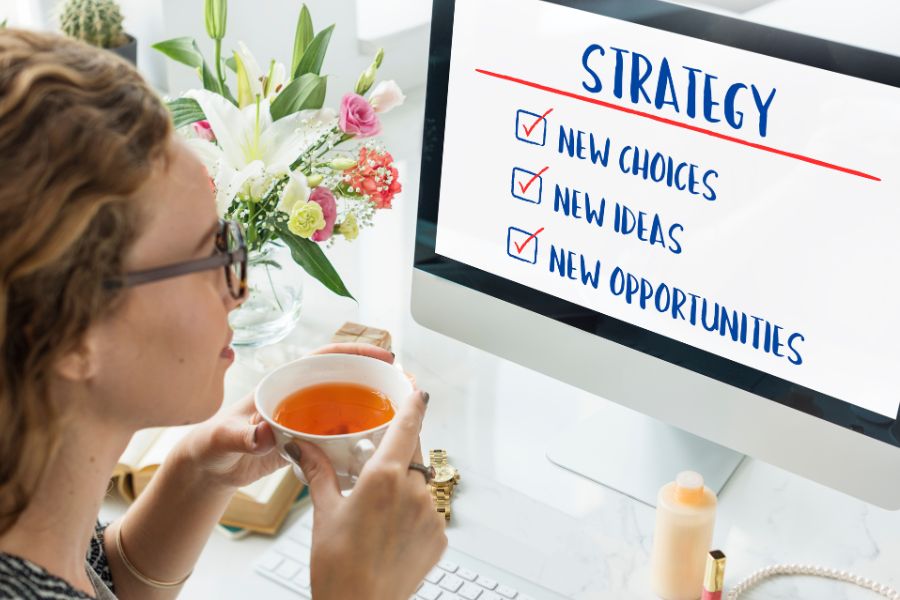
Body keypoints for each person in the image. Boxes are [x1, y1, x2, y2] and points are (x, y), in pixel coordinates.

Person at [0, 28, 447, 600]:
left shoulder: (30, 495)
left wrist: (194, 476)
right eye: (206, 257)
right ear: (66, 335)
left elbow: (85, 580)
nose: (237, 291)